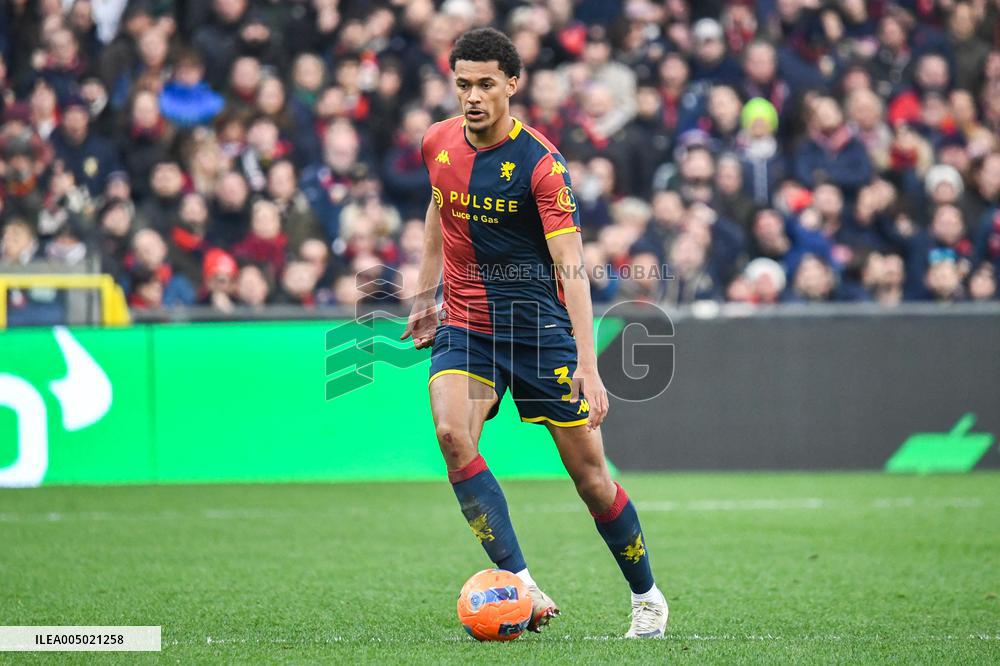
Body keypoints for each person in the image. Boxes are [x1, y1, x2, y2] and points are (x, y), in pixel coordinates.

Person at [400, 28, 667, 639]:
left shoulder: (542, 166)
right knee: (450, 433)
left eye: (486, 84)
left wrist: (588, 363)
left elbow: (572, 270)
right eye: (463, 84)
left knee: (591, 480)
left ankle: (647, 595)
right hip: (466, 322)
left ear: (511, 85)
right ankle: (521, 583)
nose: (473, 96)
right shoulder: (437, 142)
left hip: (537, 331)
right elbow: (439, 212)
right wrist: (424, 295)